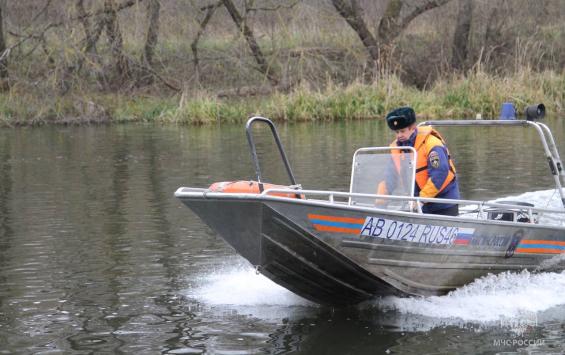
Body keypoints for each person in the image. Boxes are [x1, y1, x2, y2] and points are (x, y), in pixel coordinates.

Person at [377, 106, 460, 216]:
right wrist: (380, 204)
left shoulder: (432, 144)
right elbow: (389, 179)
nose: (399, 136)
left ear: (412, 127)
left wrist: (421, 200)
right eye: (396, 132)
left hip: (443, 203)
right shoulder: (397, 149)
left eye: (402, 131)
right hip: (417, 205)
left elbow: (440, 174)